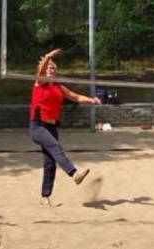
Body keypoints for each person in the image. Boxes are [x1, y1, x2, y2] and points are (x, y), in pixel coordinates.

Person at [29, 48, 101, 206]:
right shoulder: (40, 82)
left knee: (50, 162)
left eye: (52, 68)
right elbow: (41, 71)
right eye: (48, 67)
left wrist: (91, 100)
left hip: (52, 127)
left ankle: (45, 196)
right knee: (56, 148)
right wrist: (47, 57)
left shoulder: (58, 88)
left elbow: (75, 97)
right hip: (38, 126)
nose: (50, 70)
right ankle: (74, 174)